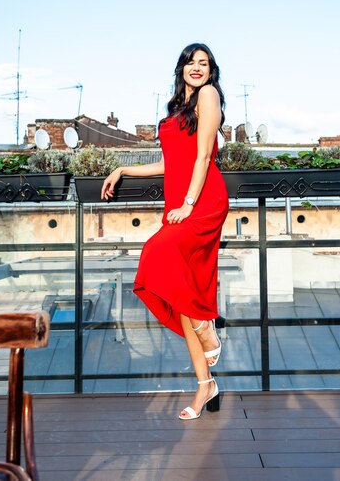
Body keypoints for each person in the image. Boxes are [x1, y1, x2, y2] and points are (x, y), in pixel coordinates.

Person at [101, 43, 229, 420]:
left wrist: (189, 203)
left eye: (204, 63)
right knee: (183, 292)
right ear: (181, 68)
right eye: (191, 62)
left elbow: (204, 155)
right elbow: (170, 161)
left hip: (202, 201)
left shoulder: (208, 95)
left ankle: (207, 329)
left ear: (211, 71)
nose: (197, 68)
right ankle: (205, 384)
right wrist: (124, 170)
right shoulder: (178, 109)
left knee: (156, 254)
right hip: (181, 202)